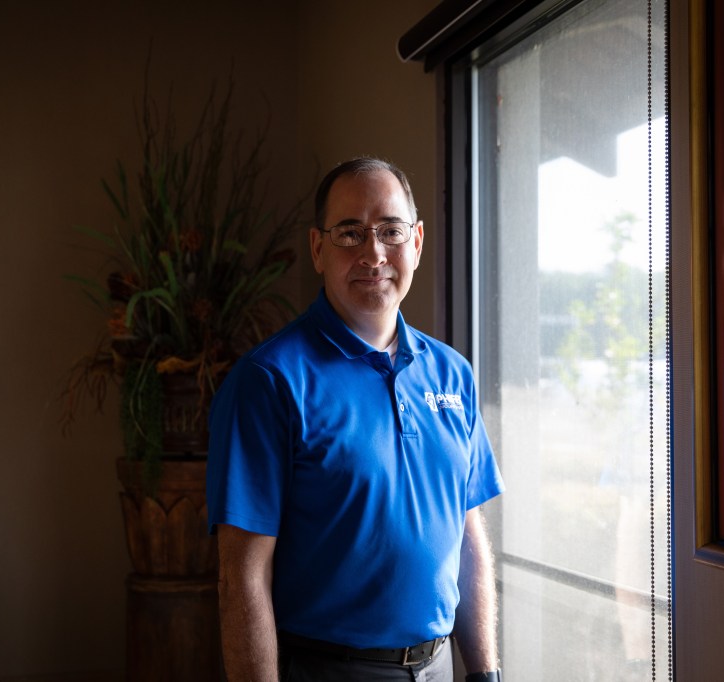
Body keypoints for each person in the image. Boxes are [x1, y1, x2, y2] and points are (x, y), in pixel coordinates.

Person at [206, 157, 504, 682]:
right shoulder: (270, 381)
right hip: (327, 670)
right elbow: (242, 576)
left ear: (416, 242)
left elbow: (467, 535)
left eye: (390, 231)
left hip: (435, 668)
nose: (374, 253)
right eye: (350, 233)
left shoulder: (453, 374)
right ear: (318, 249)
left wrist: (486, 674)